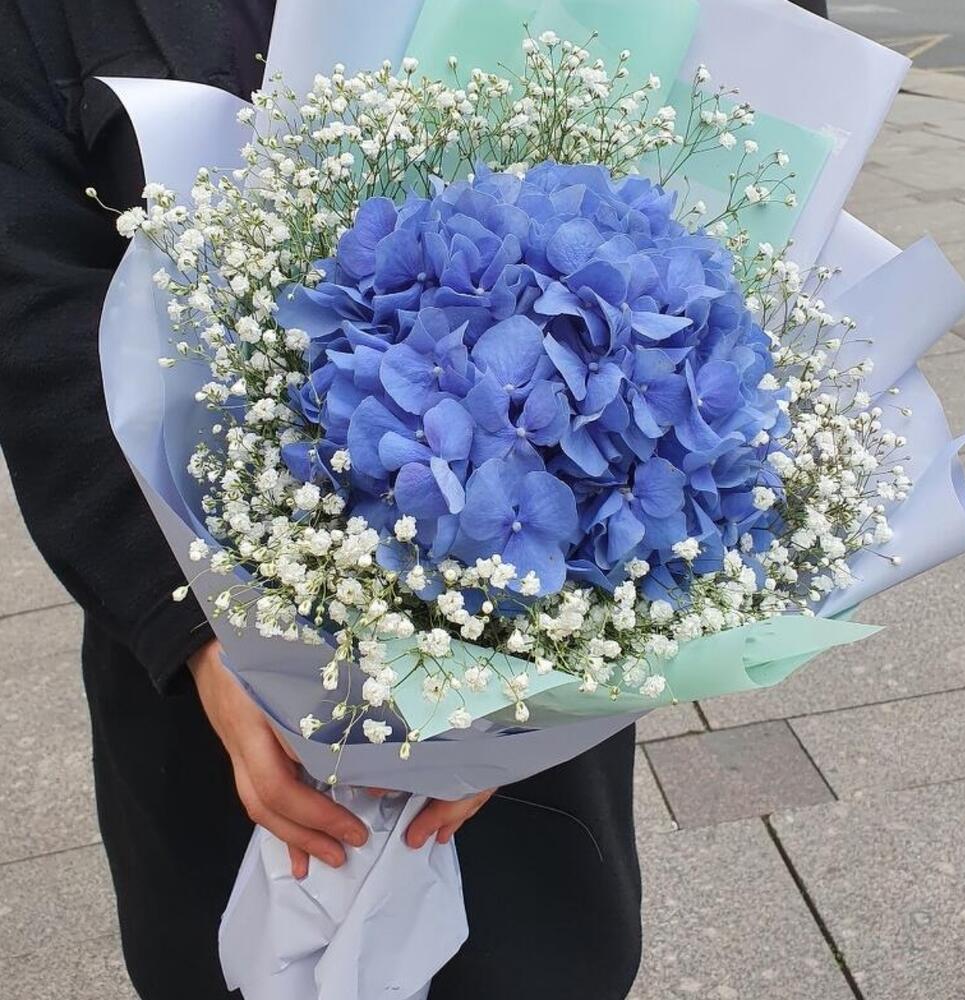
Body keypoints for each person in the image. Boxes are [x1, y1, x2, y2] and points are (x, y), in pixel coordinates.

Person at [0, 3, 640, 998]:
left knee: (528, 963)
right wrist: (202, 629)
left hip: (529, 664)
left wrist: (531, 679)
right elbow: (31, 305)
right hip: (210, 704)